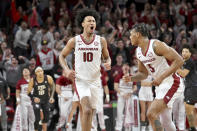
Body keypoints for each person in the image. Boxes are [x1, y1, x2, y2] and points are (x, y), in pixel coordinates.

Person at [123, 23, 184, 131]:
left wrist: (161, 77)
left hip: (172, 82)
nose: (130, 37)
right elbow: (144, 74)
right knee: (166, 121)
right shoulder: (138, 52)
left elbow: (179, 60)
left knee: (151, 114)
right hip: (161, 86)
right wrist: (132, 78)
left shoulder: (156, 45)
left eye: (131, 35)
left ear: (138, 34)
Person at [59, 9, 111, 131]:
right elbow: (62, 56)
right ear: (83, 24)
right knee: (86, 110)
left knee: (91, 112)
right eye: (89, 20)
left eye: (93, 21)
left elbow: (107, 57)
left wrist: (108, 62)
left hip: (95, 81)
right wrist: (66, 70)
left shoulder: (101, 40)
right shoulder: (75, 41)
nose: (92, 22)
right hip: (81, 81)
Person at [27, 66, 55, 131]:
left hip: (46, 100)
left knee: (46, 118)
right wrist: (33, 98)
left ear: (43, 71)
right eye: (38, 72)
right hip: (37, 100)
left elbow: (53, 86)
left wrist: (51, 96)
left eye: (41, 71)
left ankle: (43, 128)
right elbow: (28, 92)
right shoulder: (32, 80)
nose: (40, 73)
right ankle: (37, 129)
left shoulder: (48, 78)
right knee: (38, 118)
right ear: (35, 73)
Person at [177, 44, 197, 131]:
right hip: (188, 87)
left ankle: (193, 128)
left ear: (190, 53)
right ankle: (193, 128)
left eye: (186, 52)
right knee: (188, 109)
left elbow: (183, 74)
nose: (184, 53)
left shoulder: (189, 62)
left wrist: (175, 68)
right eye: (183, 52)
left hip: (192, 87)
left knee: (189, 109)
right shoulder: (184, 62)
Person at [114, 63, 137, 131]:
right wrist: (122, 93)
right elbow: (115, 87)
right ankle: (118, 128)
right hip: (121, 96)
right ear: (122, 68)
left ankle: (128, 128)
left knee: (129, 113)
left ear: (129, 68)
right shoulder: (118, 76)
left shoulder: (132, 77)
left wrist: (130, 92)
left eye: (127, 66)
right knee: (119, 113)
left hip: (129, 96)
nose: (126, 68)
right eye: (124, 66)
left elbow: (135, 87)